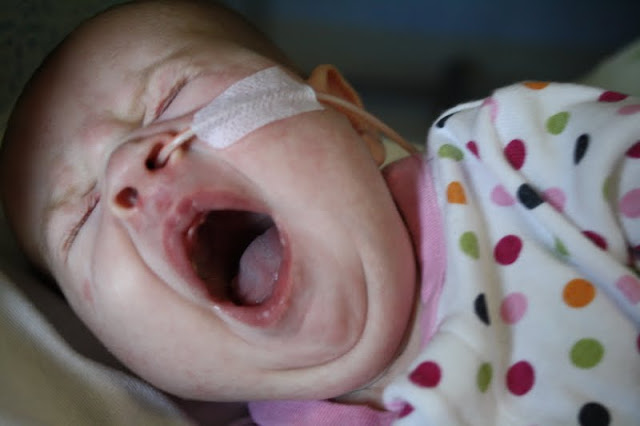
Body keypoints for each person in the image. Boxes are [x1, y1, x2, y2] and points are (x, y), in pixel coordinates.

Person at [1, 1, 638, 424]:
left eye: (170, 95)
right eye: (80, 219)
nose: (125, 171)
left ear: (345, 116)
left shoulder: (518, 158)